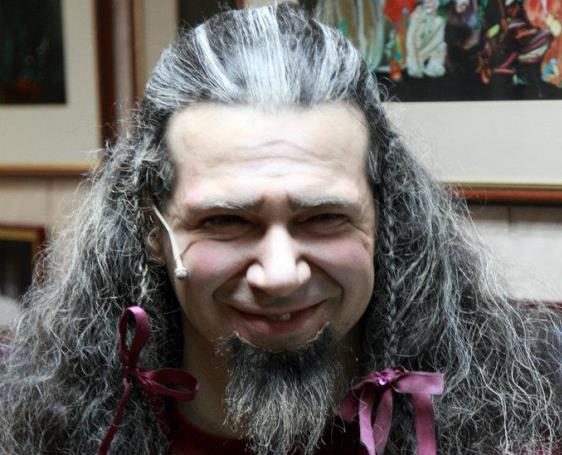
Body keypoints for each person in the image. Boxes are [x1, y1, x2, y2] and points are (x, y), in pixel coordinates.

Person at [1, 4, 561, 455]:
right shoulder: (44, 427)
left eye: (324, 217)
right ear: (152, 226)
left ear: (384, 213)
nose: (279, 275)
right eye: (225, 221)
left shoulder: (523, 421)